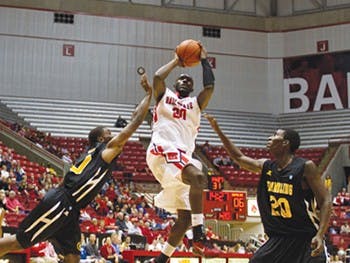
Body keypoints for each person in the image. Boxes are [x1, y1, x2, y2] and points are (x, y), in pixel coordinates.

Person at [0, 74, 152, 262]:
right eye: (109, 133)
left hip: (70, 210)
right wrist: (149, 94)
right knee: (18, 242)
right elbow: (135, 123)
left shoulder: (89, 155)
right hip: (61, 203)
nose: (113, 136)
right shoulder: (104, 151)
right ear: (101, 140)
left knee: (72, 257)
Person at [204, 113, 332, 263]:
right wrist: (218, 131)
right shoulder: (266, 166)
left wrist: (320, 234)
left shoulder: (305, 167)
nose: (270, 138)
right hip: (278, 239)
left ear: (285, 143)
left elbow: (325, 200)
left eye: (275, 135)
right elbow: (239, 158)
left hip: (305, 238)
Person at [145, 43, 215, 262]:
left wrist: (204, 60)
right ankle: (200, 231)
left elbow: (210, 87)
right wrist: (177, 60)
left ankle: (161, 259)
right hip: (163, 151)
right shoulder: (164, 96)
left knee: (184, 219)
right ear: (175, 83)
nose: (185, 80)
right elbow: (157, 77)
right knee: (197, 175)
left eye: (189, 80)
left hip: (181, 157)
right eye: (182, 78)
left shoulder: (196, 104)